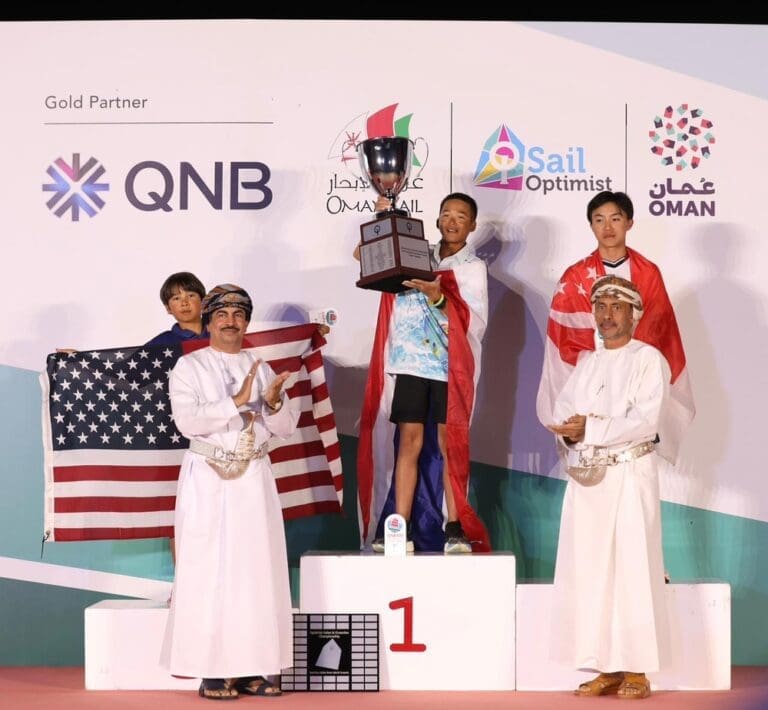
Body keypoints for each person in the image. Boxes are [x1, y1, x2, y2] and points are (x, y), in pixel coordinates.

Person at [160, 283, 300, 700]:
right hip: (207, 479)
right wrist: (236, 401)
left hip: (254, 478)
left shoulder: (263, 367)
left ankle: (254, 666)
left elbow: (285, 428)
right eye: (221, 314)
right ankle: (212, 670)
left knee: (256, 571)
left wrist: (273, 404)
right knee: (209, 571)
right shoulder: (190, 367)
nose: (230, 321)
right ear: (209, 321)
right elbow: (187, 422)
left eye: (239, 314)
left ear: (247, 322)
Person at [546, 275, 670, 700]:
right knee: (591, 573)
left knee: (633, 570)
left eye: (617, 306)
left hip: (630, 476)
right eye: (600, 306)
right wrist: (569, 432)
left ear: (634, 314)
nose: (607, 315)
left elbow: (646, 422)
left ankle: (637, 670)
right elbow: (564, 412)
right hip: (589, 482)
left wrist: (591, 428)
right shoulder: (587, 363)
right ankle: (607, 668)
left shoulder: (648, 359)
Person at [355, 192, 490, 554]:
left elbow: (475, 321)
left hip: (449, 368)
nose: (452, 221)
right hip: (410, 364)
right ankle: (400, 526)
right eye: (446, 213)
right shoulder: (415, 254)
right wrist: (383, 220)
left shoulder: (473, 268)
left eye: (461, 216)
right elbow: (364, 257)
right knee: (409, 443)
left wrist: (438, 297)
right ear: (437, 219)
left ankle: (454, 525)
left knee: (448, 446)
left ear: (472, 225)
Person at [536, 190, 694, 468]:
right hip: (591, 379)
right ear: (591, 225)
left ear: (629, 222)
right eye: (599, 220)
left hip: (634, 377)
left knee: (632, 454)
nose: (607, 227)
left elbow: (659, 330)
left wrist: (625, 356)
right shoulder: (575, 276)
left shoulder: (648, 272)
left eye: (615, 219)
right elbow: (565, 340)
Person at [145, 271, 208, 346]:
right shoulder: (160, 344)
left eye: (191, 296)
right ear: (168, 308)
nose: (184, 303)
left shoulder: (218, 333)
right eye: (176, 298)